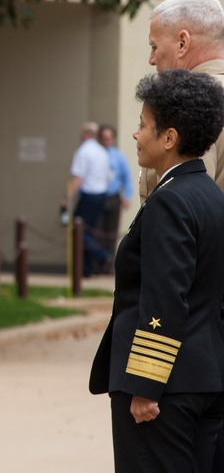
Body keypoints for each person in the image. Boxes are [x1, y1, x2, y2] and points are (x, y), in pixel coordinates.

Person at [89, 68, 224, 472]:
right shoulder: (211, 196)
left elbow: (165, 296)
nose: (136, 134)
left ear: (170, 138)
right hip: (206, 378)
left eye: (144, 125)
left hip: (167, 389)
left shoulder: (170, 200)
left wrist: (146, 385)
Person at [141, 0, 224, 199]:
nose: (151, 59)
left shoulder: (187, 102)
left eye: (154, 46)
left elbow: (186, 205)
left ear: (182, 43)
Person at [64, 121, 110, 277]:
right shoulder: (102, 151)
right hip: (101, 195)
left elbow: (78, 178)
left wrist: (67, 198)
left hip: (89, 195)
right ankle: (86, 269)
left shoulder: (83, 151)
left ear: (85, 134)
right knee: (88, 232)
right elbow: (106, 177)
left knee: (78, 231)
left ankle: (102, 255)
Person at [97, 124, 132, 262]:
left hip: (114, 198)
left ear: (113, 139)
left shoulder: (118, 156)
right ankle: (97, 263)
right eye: (104, 138)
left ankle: (108, 262)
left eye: (109, 138)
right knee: (97, 232)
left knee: (111, 233)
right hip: (99, 197)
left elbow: (126, 178)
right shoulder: (96, 154)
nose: (106, 140)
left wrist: (127, 196)